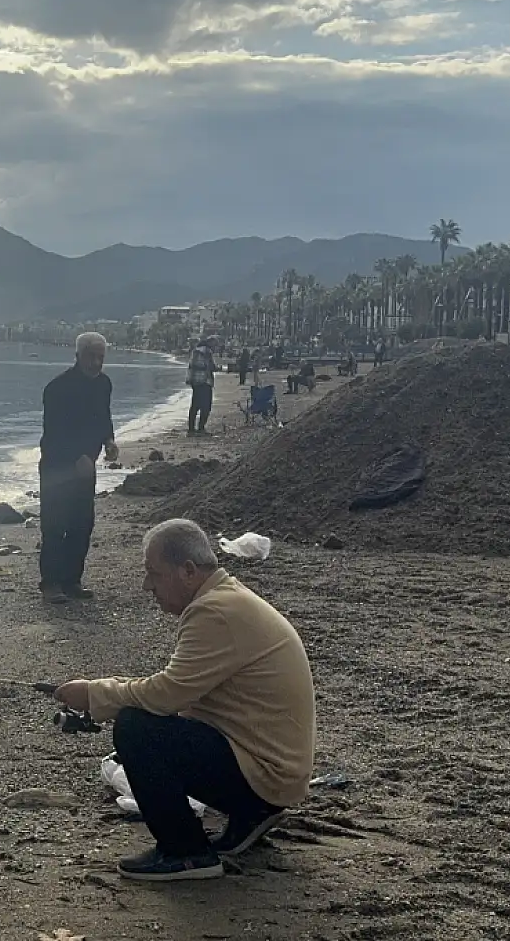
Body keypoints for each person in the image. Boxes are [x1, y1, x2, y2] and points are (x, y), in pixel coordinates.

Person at [54, 520, 315, 881]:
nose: (147, 586)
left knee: (136, 728)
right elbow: (179, 691)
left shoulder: (214, 611)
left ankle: (186, 853)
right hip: (277, 771)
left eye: (154, 573)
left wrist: (94, 694)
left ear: (188, 571)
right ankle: (252, 815)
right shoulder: (226, 598)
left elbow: (165, 695)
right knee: (150, 725)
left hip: (268, 776)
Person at [38, 333, 119, 604]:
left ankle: (72, 580)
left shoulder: (104, 384)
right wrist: (76, 457)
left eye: (100, 358)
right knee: (54, 524)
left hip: (86, 465)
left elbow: (103, 418)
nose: (96, 363)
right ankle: (50, 583)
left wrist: (109, 442)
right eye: (91, 356)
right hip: (56, 466)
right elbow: (54, 433)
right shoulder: (56, 388)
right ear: (77, 356)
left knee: (82, 524)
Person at [186, 338, 217, 436]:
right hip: (205, 382)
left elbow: (192, 367)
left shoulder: (195, 352)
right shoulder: (207, 352)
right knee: (206, 407)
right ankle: (201, 428)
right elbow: (210, 366)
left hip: (195, 382)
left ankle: (191, 429)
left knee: (195, 406)